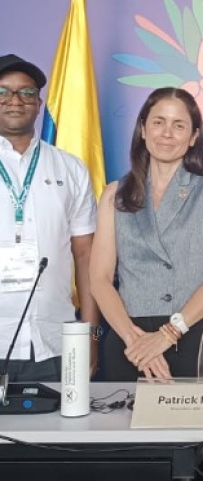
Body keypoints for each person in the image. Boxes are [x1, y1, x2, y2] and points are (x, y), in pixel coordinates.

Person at [90, 87, 203, 381]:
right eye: (158, 122)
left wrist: (168, 334)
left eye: (178, 125)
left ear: (194, 136)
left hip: (192, 331)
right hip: (129, 336)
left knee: (193, 426)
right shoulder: (114, 194)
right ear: (143, 129)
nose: (167, 133)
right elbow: (99, 278)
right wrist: (134, 340)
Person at [0, 54, 99, 381]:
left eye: (26, 92)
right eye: (3, 91)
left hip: (52, 340)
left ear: (39, 103)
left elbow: (86, 257)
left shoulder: (70, 168)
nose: (15, 101)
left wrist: (90, 335)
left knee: (51, 432)